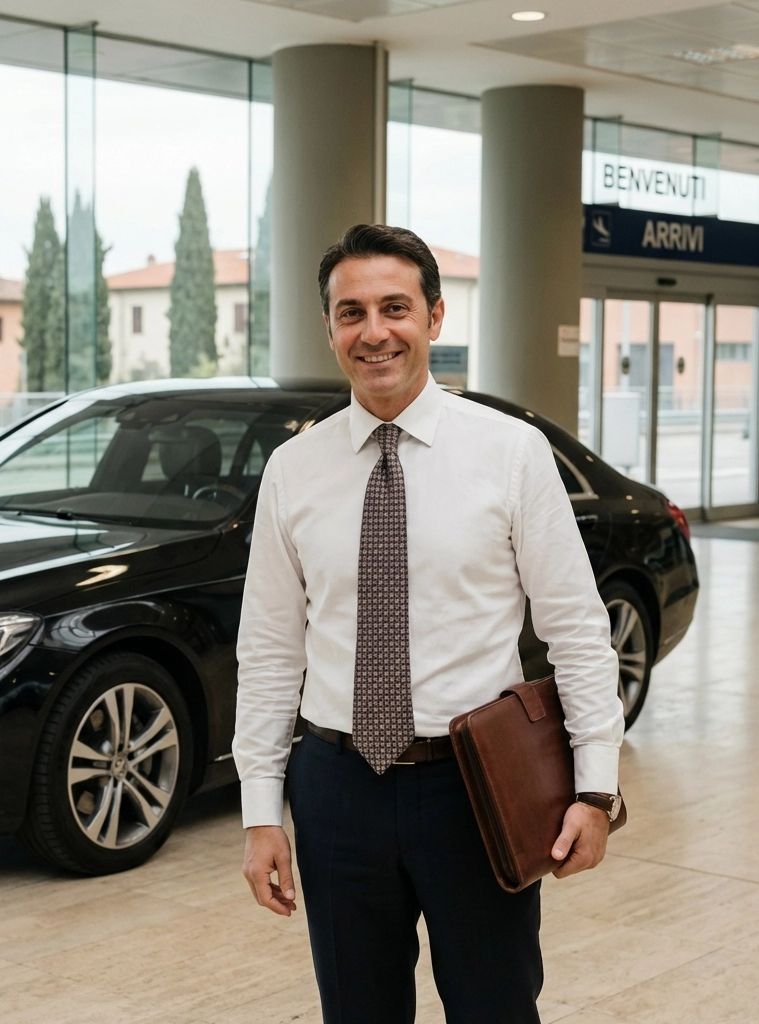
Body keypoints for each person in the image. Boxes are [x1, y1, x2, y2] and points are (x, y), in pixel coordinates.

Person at [232, 223, 624, 1024]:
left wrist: (596, 787)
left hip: (475, 789)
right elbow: (270, 652)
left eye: (394, 308)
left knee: (495, 1008)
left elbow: (577, 629)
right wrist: (260, 812)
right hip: (337, 789)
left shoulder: (511, 454)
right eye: (351, 313)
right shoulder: (293, 470)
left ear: (436, 318)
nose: (373, 332)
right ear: (331, 328)